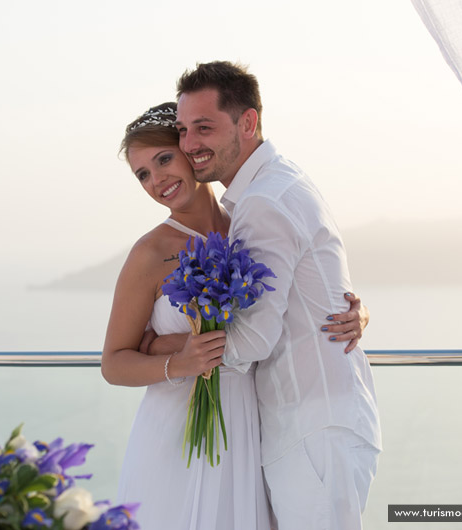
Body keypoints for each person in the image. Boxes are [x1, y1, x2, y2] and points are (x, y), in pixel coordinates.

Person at [101, 102, 371, 529]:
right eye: (143, 175)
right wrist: (177, 360)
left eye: (164, 159)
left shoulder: (248, 222)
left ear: (189, 150)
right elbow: (113, 363)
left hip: (253, 425)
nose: (157, 181)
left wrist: (356, 312)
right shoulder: (149, 253)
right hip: (178, 432)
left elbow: (294, 293)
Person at [172, 61, 382, 530]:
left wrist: (169, 349)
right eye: (183, 130)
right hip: (319, 422)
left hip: (312, 428)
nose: (189, 145)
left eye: (203, 128)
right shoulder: (279, 183)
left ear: (248, 122)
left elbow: (254, 340)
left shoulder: (265, 201)